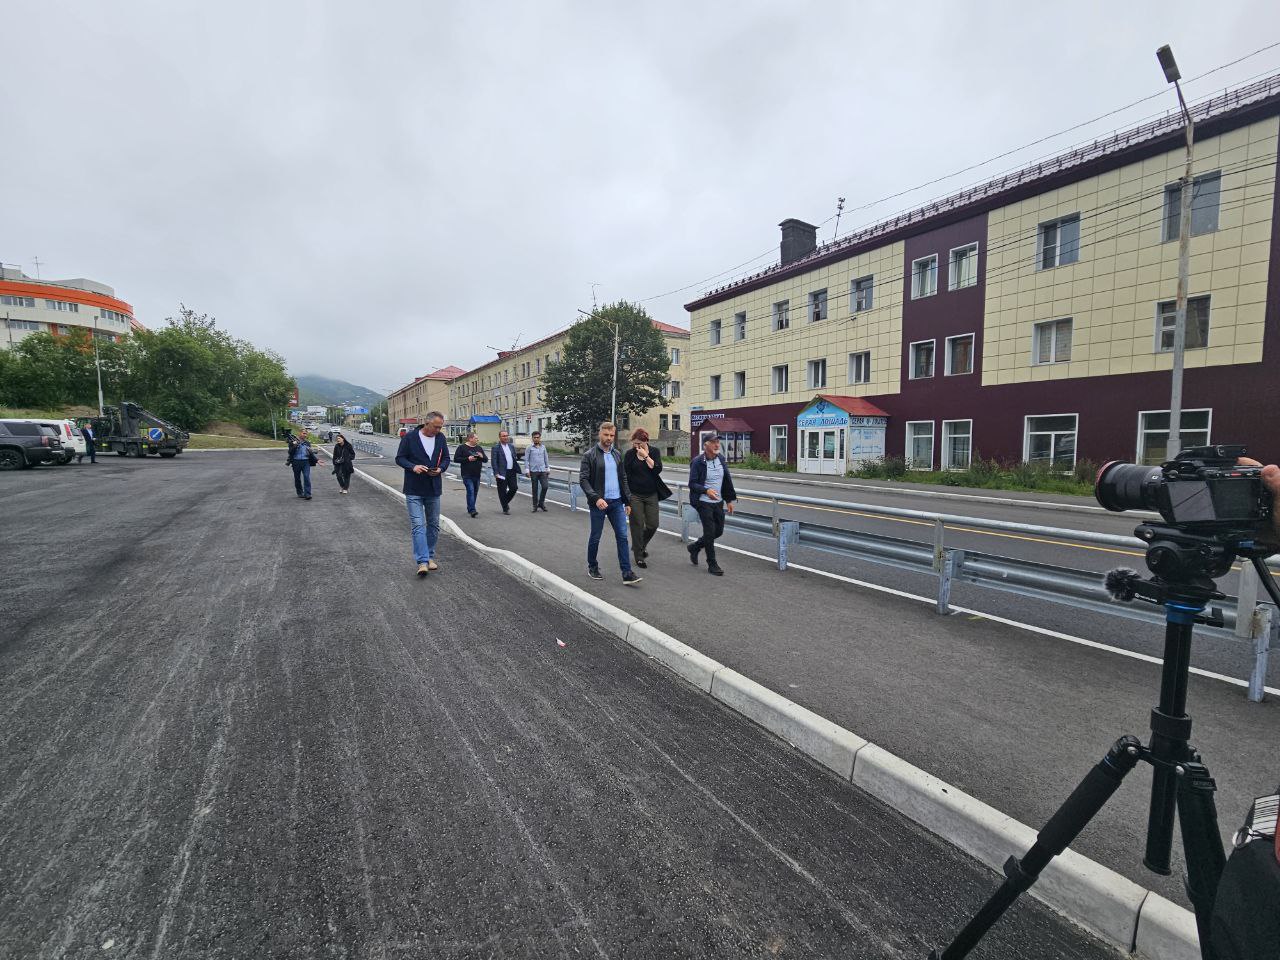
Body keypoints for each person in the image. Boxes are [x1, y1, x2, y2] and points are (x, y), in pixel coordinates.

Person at [579, 421, 641, 586]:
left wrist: (627, 501)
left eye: (612, 435)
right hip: (599, 503)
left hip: (616, 503)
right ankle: (592, 566)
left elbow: (623, 478)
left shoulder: (617, 454)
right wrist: (596, 498)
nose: (609, 438)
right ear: (600, 434)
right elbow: (583, 480)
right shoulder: (589, 455)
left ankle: (627, 573)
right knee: (596, 536)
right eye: (606, 435)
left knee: (622, 536)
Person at [395, 412, 451, 576]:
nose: (438, 430)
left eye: (440, 427)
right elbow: (400, 458)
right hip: (414, 489)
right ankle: (422, 561)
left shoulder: (440, 438)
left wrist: (441, 468)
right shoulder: (410, 438)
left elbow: (446, 458)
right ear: (426, 423)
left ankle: (429, 556)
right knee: (418, 525)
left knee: (433, 525)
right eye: (436, 427)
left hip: (433, 488)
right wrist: (413, 467)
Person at [687, 433, 737, 576]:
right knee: (709, 532)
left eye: (718, 442)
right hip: (704, 502)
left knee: (718, 531)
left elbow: (726, 480)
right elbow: (692, 483)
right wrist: (706, 490)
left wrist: (729, 500)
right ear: (705, 445)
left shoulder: (721, 458)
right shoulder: (697, 462)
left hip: (718, 502)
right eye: (713, 442)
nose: (717, 445)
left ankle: (695, 547)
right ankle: (712, 564)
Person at [623, 428, 664, 568]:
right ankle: (639, 556)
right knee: (637, 525)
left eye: (639, 443)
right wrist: (626, 497)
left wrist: (646, 456)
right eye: (634, 443)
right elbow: (625, 475)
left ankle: (639, 545)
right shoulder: (630, 454)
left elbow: (657, 469)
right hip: (635, 495)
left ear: (646, 441)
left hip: (651, 494)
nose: (636, 446)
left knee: (653, 524)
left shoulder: (654, 452)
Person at [454, 432, 487, 517]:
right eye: (476, 438)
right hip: (466, 474)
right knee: (470, 490)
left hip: (477, 474)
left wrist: (482, 456)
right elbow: (456, 459)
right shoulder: (462, 447)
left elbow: (485, 460)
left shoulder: (479, 448)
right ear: (470, 439)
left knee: (474, 492)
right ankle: (472, 510)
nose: (477, 439)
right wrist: (467, 459)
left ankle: (470, 508)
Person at [491, 429, 521, 515]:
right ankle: (505, 508)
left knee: (514, 488)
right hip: (501, 472)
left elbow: (514, 457)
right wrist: (496, 473)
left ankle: (504, 502)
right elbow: (494, 461)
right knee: (502, 491)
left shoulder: (511, 446)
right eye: (503, 436)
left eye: (507, 435)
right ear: (499, 437)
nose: (506, 437)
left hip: (511, 471)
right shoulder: (496, 447)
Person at [525, 430, 551, 512]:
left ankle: (541, 503)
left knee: (545, 486)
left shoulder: (543, 447)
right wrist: (527, 470)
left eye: (538, 437)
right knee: (535, 489)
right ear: (532, 438)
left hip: (542, 470)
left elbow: (546, 458)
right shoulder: (529, 448)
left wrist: (547, 468)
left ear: (540, 438)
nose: (536, 439)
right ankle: (535, 505)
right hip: (533, 471)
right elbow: (526, 460)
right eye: (535, 437)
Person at [287, 430, 316, 500]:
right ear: (299, 433)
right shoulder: (293, 441)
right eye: (304, 433)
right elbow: (290, 452)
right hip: (296, 462)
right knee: (297, 478)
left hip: (306, 462)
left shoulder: (307, 443)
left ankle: (307, 494)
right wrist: (295, 445)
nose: (305, 435)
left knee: (306, 477)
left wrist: (316, 459)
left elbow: (310, 453)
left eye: (306, 434)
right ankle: (300, 492)